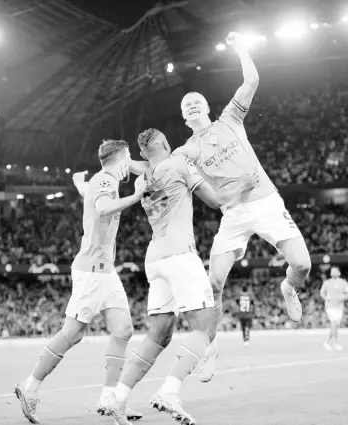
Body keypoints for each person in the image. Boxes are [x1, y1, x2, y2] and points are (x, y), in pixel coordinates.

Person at [173, 31, 311, 381]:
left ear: (205, 107)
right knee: (213, 282)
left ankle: (288, 287)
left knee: (302, 264)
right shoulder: (187, 150)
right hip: (233, 215)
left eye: (196, 101)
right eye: (185, 105)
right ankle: (209, 346)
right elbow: (164, 170)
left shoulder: (230, 120)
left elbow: (252, 79)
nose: (191, 105)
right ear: (184, 117)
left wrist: (240, 48)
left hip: (265, 202)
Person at [105, 128, 258, 425]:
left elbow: (141, 164)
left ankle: (118, 397)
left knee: (159, 334)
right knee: (205, 327)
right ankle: (169, 391)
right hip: (181, 256)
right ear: (164, 143)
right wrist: (244, 185)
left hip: (155, 259)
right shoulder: (179, 164)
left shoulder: (144, 176)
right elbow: (215, 200)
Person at [14, 140, 146, 424]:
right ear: (121, 160)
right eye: (129, 159)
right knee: (72, 334)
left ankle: (109, 398)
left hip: (106, 271)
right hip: (92, 271)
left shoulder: (101, 181)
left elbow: (93, 197)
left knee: (123, 330)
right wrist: (135, 196)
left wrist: (78, 186)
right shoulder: (106, 182)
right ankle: (30, 387)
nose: (130, 165)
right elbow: (101, 208)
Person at [320, 266, 348, 351]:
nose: (333, 273)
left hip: (339, 306)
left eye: (335, 271)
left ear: (339, 273)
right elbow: (322, 293)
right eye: (332, 271)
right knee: (334, 323)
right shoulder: (327, 283)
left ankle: (327, 342)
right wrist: (326, 298)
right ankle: (335, 343)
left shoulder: (343, 282)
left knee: (335, 325)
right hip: (330, 306)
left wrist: (343, 297)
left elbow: (347, 293)